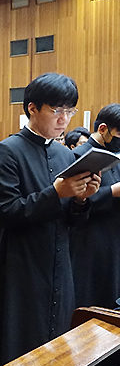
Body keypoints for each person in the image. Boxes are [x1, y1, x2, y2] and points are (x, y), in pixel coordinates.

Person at [0, 72, 100, 366]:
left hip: (59, 262)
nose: (64, 119)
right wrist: (57, 193)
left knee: (56, 343)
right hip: (20, 265)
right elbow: (5, 212)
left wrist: (82, 199)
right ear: (32, 108)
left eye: (69, 111)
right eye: (56, 110)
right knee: (18, 346)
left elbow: (72, 220)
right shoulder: (8, 150)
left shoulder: (63, 153)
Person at [70, 104, 120, 308]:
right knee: (94, 301)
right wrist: (113, 192)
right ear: (102, 129)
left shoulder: (115, 152)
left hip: (114, 236)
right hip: (90, 240)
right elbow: (76, 201)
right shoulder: (80, 155)